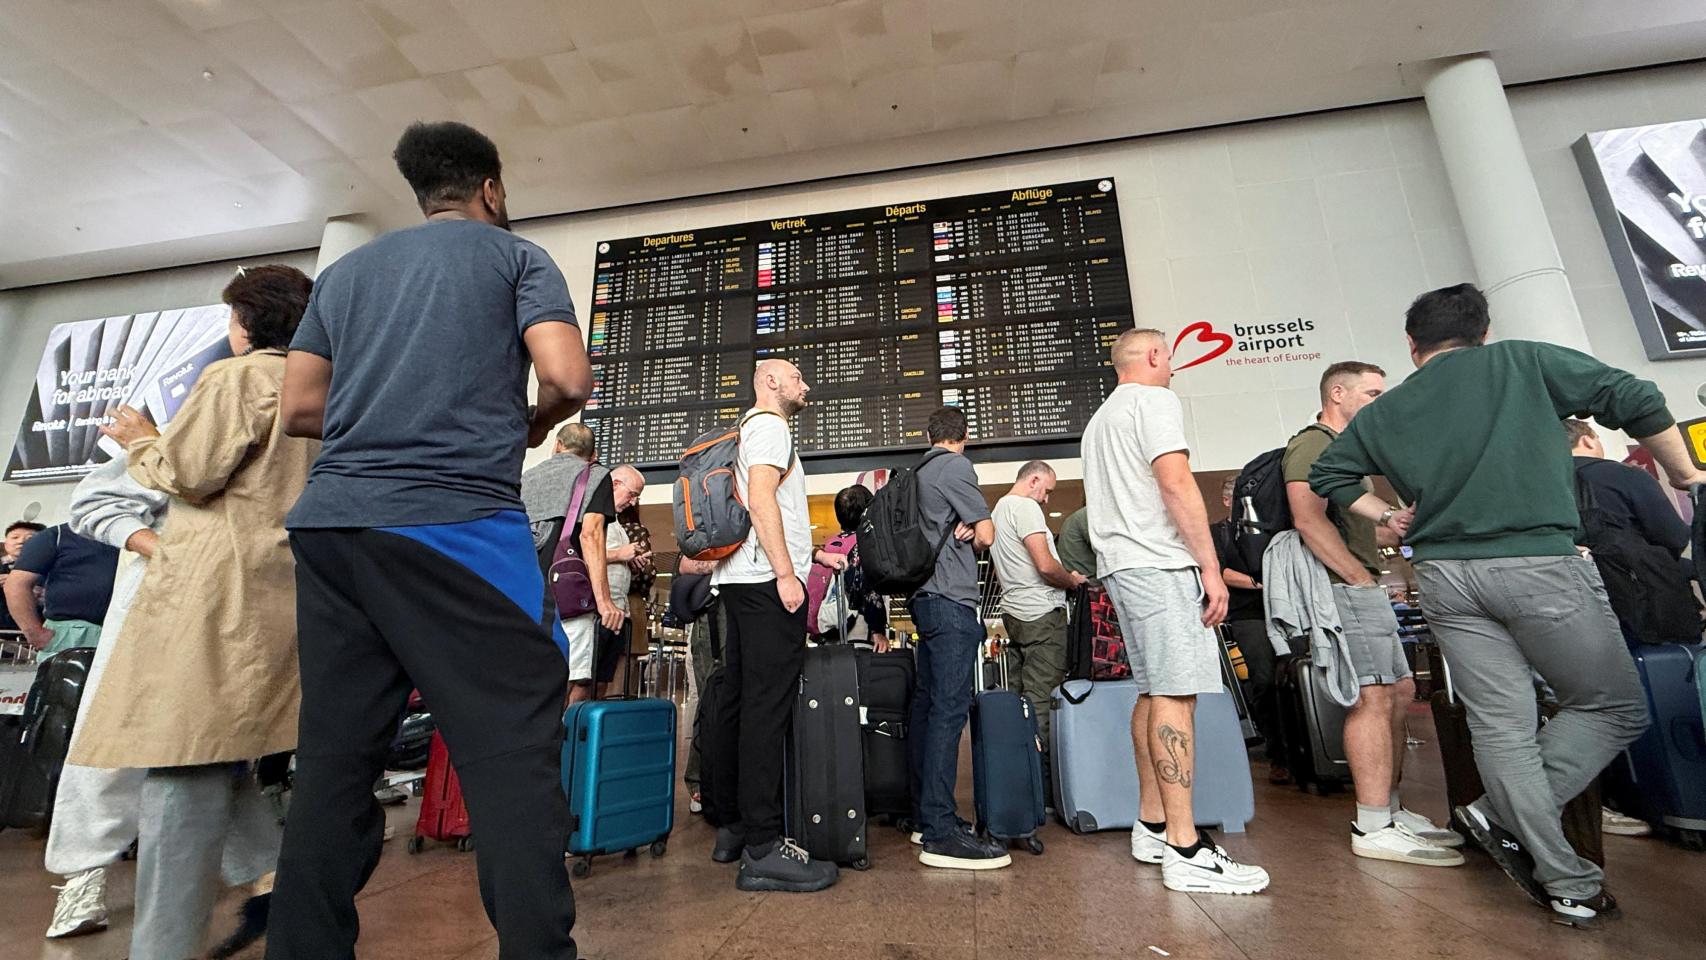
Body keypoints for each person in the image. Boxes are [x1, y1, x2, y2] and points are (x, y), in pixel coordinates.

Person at [271, 121, 592, 959]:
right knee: (514, 753)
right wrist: (531, 424)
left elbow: (298, 408)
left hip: (333, 529)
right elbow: (567, 377)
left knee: (335, 762)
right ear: (491, 189)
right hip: (455, 523)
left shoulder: (345, 274)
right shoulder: (516, 258)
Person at [1309, 282, 1705, 926]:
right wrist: (1685, 474)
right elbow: (1635, 396)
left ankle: (1567, 881)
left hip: (1444, 577)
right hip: (1536, 564)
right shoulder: (1523, 361)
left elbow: (1329, 474)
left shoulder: (1389, 408)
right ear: (1483, 332)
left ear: (1412, 345)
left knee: (1502, 726)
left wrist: (1388, 515)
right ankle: (1500, 817)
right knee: (1613, 704)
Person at [74, 264, 319, 959]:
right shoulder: (323, 387)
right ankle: (273, 879)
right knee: (216, 752)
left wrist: (141, 438)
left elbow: (190, 472)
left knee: (179, 761)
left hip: (213, 591)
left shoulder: (238, 378)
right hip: (282, 588)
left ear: (244, 324)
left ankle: (163, 947)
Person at [1081, 328, 1270, 895]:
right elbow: (1176, 482)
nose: (1174, 368)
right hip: (1158, 565)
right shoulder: (1154, 401)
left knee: (1151, 690)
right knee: (1175, 693)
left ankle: (1154, 825)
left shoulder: (1100, 421)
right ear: (1154, 356)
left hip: (1123, 566)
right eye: (1170, 357)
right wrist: (1210, 566)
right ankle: (1186, 848)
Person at [1282, 361, 1461, 866]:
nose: (1382, 401)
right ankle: (1374, 823)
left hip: (1363, 585)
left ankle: (1391, 809)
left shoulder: (1349, 453)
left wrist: (1399, 523)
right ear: (1337, 393)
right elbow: (1307, 520)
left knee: (1399, 691)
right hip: (1346, 588)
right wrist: (1358, 579)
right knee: (1373, 696)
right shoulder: (1314, 444)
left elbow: (1366, 529)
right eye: (1373, 392)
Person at [707, 359, 849, 892]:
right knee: (766, 711)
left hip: (741, 581)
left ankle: (734, 828)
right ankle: (764, 848)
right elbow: (763, 498)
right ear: (771, 382)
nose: (805, 385)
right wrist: (788, 573)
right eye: (796, 377)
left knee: (740, 703)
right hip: (767, 583)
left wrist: (810, 554)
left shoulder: (746, 430)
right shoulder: (770, 426)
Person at [39, 456, 167, 940]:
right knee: (110, 738)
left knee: (221, 752)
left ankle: (262, 871)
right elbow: (96, 501)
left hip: (256, 602)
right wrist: (167, 551)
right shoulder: (169, 435)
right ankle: (83, 875)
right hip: (157, 606)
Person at [1564, 418, 1684, 839]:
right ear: (1590, 439)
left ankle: (1611, 796)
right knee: (1653, 690)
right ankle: (1672, 796)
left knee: (1590, 698)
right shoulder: (1623, 476)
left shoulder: (1540, 485)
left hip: (1574, 610)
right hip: (1645, 606)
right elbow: (1672, 535)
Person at [904, 406, 1006, 871]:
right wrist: (976, 531)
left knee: (928, 710)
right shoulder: (956, 466)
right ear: (964, 435)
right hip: (951, 600)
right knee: (948, 713)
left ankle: (925, 817)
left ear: (929, 435)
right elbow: (986, 534)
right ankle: (941, 833)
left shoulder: (916, 474)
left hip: (924, 600)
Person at [521, 424, 635, 704]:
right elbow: (590, 534)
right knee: (575, 679)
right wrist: (605, 602)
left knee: (531, 674)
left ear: (557, 445)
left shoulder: (527, 477)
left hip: (526, 589)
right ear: (593, 454)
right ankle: (562, 732)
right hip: (570, 594)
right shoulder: (596, 475)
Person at [988, 460, 1084, 792]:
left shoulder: (997, 511)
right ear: (1033, 480)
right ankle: (1045, 792)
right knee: (1043, 702)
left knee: (1020, 702)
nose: (1046, 499)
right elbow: (1045, 566)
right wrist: (1071, 580)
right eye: (1047, 490)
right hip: (1042, 615)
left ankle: (1021, 786)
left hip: (1015, 615)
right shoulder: (1025, 507)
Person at [1209, 476, 1286, 786]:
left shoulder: (1269, 529)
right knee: (1264, 679)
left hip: (1283, 611)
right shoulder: (1218, 533)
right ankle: (1278, 754)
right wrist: (1260, 584)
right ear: (1228, 501)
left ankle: (1304, 750)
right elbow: (1219, 572)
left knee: (1292, 678)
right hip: (1247, 614)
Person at [3, 522, 117, 655]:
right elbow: (16, 585)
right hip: (72, 633)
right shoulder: (56, 535)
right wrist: (34, 633)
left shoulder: (131, 537)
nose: (21, 541)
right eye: (15, 537)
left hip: (126, 628)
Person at [1, 520, 45, 634]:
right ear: (5, 543)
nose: (21, 541)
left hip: (35, 630)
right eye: (15, 537)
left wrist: (27, 589)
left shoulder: (51, 569)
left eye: (30, 538)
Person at [1055, 507, 1097, 581]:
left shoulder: (1075, 517)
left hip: (1077, 578)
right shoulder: (1088, 515)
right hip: (1088, 580)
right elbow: (1107, 551)